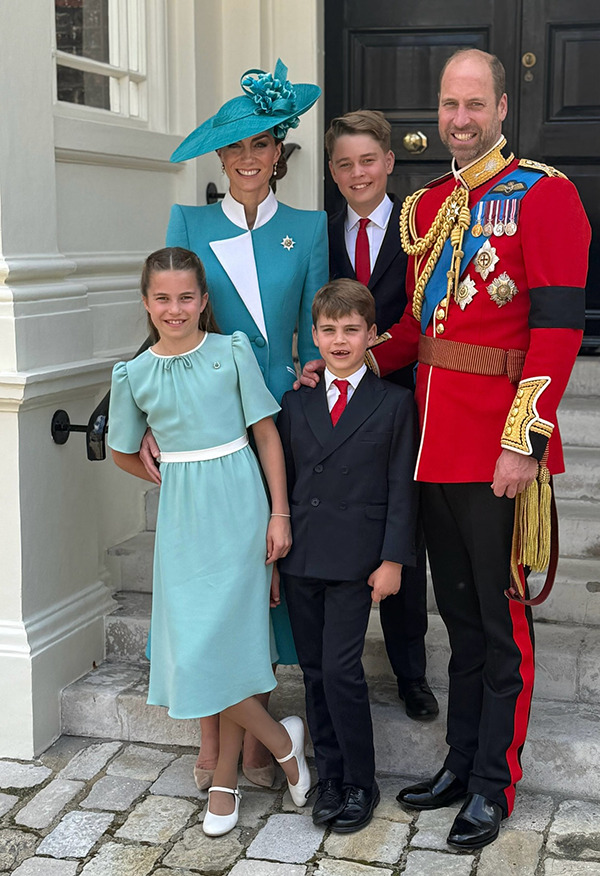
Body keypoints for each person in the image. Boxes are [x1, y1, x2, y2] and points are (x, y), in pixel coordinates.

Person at [301, 48, 590, 849]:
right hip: (428, 447)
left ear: (502, 108)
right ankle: (463, 760)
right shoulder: (425, 207)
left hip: (497, 449)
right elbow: (416, 335)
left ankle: (497, 782)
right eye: (448, 105)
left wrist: (523, 442)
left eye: (474, 104)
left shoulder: (545, 195)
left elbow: (558, 331)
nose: (459, 119)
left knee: (500, 625)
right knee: (457, 622)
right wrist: (341, 362)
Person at [139, 59, 328, 791]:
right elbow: (166, 312)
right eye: (236, 149)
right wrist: (151, 413)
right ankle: (218, 744)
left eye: (262, 146)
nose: (249, 160)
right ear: (221, 159)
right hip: (207, 418)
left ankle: (258, 725)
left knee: (262, 566)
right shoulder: (190, 221)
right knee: (207, 578)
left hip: (276, 416)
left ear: (281, 151)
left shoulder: (308, 229)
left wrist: (312, 370)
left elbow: (313, 333)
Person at [108, 247, 311, 838]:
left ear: (204, 301)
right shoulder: (134, 374)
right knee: (195, 654)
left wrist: (280, 513)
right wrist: (161, 465)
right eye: (163, 299)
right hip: (183, 518)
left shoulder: (231, 352)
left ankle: (224, 781)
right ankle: (281, 740)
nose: (176, 309)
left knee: (231, 647)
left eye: (187, 297)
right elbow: (122, 449)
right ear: (147, 304)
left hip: (241, 505)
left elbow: (266, 436)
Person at [277, 279, 419, 833]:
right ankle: (331, 775)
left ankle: (362, 779)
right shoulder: (297, 400)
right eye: (329, 331)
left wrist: (393, 559)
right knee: (313, 672)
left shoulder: (394, 403)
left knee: (341, 671)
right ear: (314, 336)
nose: (339, 341)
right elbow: (282, 479)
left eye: (351, 330)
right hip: (302, 555)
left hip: (358, 560)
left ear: (372, 335)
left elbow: (402, 488)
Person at [325, 110, 438, 722]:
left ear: (389, 163)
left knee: (403, 536)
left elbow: (424, 320)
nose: (357, 172)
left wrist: (368, 357)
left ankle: (412, 674)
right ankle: (327, 662)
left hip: (403, 401)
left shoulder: (420, 227)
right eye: (344, 163)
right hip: (337, 407)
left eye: (368, 160)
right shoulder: (318, 232)